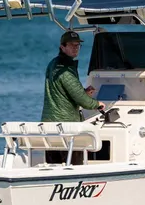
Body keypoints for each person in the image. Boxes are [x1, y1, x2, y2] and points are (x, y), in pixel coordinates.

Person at [41, 30, 105, 164]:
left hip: (50, 124)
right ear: (62, 47)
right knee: (74, 164)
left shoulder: (54, 63)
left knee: (54, 165)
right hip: (66, 126)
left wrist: (83, 92)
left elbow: (63, 90)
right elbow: (82, 100)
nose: (75, 48)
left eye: (78, 45)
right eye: (71, 45)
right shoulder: (65, 69)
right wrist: (97, 104)